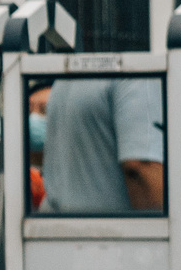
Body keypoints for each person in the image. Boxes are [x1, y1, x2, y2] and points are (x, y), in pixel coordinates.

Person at [38, 77, 165, 212]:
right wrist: (161, 227)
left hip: (59, 224)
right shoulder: (137, 76)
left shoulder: (67, 78)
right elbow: (140, 167)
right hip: (109, 229)